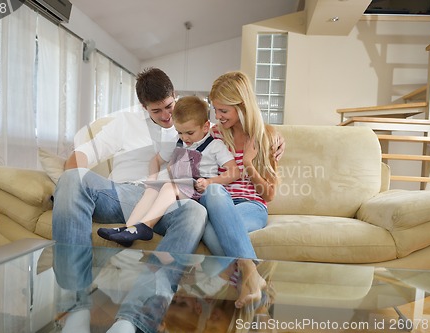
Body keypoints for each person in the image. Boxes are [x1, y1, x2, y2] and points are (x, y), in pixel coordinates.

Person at [52, 67, 208, 333]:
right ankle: (76, 310)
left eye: (169, 106)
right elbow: (85, 154)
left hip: (165, 202)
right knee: (71, 178)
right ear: (143, 107)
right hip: (121, 195)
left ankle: (132, 320)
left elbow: (238, 132)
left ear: (175, 95)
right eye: (156, 111)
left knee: (195, 212)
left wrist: (273, 134)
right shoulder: (124, 123)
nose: (166, 116)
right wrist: (70, 182)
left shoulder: (191, 119)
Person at [97, 95, 240, 247]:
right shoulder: (177, 142)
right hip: (177, 186)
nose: (184, 138)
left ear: (205, 127)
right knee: (151, 190)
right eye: (180, 132)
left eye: (189, 133)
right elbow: (156, 160)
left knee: (168, 187)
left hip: (199, 190)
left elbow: (234, 172)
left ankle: (146, 226)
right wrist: (154, 177)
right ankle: (129, 230)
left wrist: (210, 182)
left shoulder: (215, 145)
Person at [199, 71, 281, 308]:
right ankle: (251, 273)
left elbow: (269, 195)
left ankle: (240, 281)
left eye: (224, 111)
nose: (218, 116)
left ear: (243, 107)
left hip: (252, 207)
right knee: (213, 192)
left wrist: (247, 163)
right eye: (216, 110)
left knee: (212, 233)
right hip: (218, 202)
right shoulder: (213, 135)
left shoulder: (264, 137)